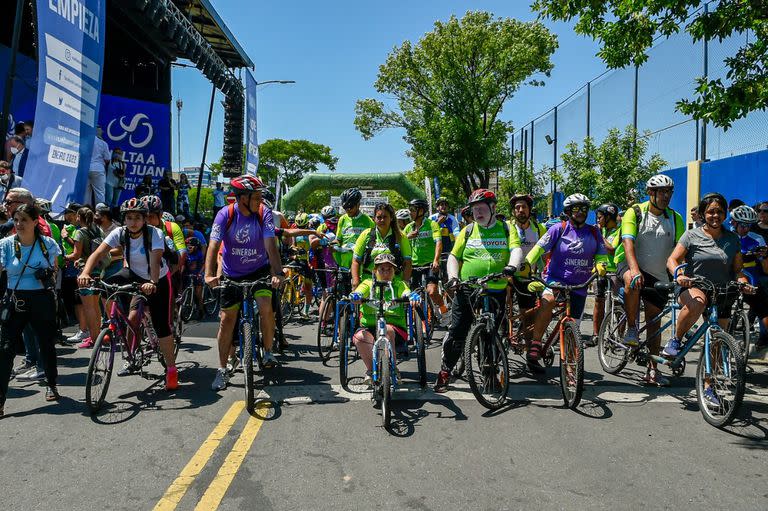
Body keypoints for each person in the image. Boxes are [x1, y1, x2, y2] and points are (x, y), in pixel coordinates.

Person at [78, 197, 179, 388]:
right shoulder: (120, 232)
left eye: (137, 218)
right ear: (124, 219)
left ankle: (172, 371)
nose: (133, 222)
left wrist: (152, 282)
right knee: (106, 284)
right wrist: (85, 272)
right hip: (133, 274)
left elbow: (156, 261)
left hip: (157, 279)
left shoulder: (154, 233)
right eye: (129, 218)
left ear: (144, 219)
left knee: (162, 326)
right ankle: (113, 321)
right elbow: (98, 253)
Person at [665, 193, 754, 406]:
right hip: (694, 286)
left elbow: (738, 270)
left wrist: (743, 282)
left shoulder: (732, 239)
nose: (715, 215)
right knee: (698, 302)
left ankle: (709, 388)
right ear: (704, 214)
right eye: (711, 211)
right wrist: (679, 274)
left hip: (722, 292)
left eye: (719, 211)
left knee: (717, 342)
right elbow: (673, 259)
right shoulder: (692, 235)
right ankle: (675, 340)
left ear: (725, 214)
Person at [434, 189, 521, 391]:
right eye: (474, 210)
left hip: (496, 289)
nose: (478, 213)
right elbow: (455, 257)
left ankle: (490, 372)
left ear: (492, 208)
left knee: (493, 333)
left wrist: (512, 266)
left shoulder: (507, 228)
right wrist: (454, 278)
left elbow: (515, 249)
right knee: (458, 332)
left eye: (481, 208)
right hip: (467, 289)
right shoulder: (468, 230)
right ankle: (446, 370)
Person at [206, 175, 284, 391]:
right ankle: (222, 369)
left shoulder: (263, 213)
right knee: (226, 319)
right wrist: (209, 274)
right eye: (256, 197)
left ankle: (268, 352)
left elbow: (271, 244)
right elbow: (213, 246)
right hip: (232, 274)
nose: (260, 200)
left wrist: (278, 273)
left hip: (259, 270)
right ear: (242, 199)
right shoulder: (225, 214)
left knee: (266, 307)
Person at [524, 193, 607, 374]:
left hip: (580, 285)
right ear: (568, 211)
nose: (580, 212)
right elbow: (539, 247)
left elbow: (601, 255)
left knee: (574, 326)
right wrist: (526, 263)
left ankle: (571, 366)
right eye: (576, 209)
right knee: (549, 302)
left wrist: (601, 266)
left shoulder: (594, 232)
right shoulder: (558, 229)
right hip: (555, 280)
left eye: (584, 209)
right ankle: (536, 343)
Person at [615, 174, 685, 386]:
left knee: (654, 323)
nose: (666, 196)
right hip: (630, 265)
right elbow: (628, 242)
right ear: (650, 193)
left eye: (669, 192)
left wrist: (681, 274)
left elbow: (681, 251)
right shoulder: (635, 212)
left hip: (659, 275)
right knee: (632, 280)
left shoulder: (675, 218)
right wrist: (635, 270)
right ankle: (631, 328)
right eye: (661, 192)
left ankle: (652, 370)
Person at [0, 203, 63, 416]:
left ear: (36, 221)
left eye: (24, 220)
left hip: (41, 299)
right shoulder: (6, 245)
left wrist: (43, 274)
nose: (18, 224)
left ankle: (51, 384)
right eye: (16, 220)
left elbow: (54, 269)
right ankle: (0, 400)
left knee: (46, 343)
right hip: (15, 299)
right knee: (5, 349)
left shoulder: (47, 244)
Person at [349, 253, 418, 386]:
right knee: (359, 337)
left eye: (389, 269)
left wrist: (411, 296)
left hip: (395, 329)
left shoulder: (399, 284)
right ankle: (370, 370)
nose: (385, 273)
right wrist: (356, 295)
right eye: (382, 269)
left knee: (386, 330)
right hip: (370, 326)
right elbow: (359, 291)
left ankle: (393, 368)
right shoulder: (368, 283)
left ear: (394, 271)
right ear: (375, 271)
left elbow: (406, 292)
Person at [724, 205, 768, 351]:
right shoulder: (726, 237)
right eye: (742, 225)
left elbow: (766, 269)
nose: (746, 228)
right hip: (729, 278)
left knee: (764, 308)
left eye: (749, 225)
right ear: (734, 223)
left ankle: (764, 338)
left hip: (751, 279)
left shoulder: (758, 239)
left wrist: (764, 257)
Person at [507, 194, 547, 348]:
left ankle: (530, 351)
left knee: (528, 314)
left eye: (524, 207)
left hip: (528, 277)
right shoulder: (507, 227)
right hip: (508, 276)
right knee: (503, 308)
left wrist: (544, 273)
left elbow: (545, 254)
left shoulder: (539, 228)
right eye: (517, 208)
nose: (521, 210)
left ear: (530, 210)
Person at [65, 208, 108, 349]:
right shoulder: (97, 230)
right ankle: (97, 336)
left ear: (79, 217)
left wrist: (63, 257)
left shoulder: (80, 232)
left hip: (85, 272)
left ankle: (95, 340)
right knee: (96, 307)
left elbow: (76, 255)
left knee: (88, 307)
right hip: (98, 271)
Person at [403, 198, 449, 326]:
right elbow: (398, 242)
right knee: (414, 297)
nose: (410, 212)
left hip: (430, 264)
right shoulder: (408, 227)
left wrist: (436, 260)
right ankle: (422, 322)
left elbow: (438, 243)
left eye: (413, 210)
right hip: (413, 265)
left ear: (421, 211)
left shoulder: (432, 224)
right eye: (410, 210)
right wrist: (407, 237)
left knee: (432, 291)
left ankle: (445, 312)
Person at [352, 202, 412, 288]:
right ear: (374, 219)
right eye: (379, 217)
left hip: (394, 283)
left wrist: (405, 282)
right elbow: (356, 261)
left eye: (385, 217)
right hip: (369, 282)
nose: (382, 220)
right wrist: (355, 280)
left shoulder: (401, 237)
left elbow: (407, 262)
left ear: (391, 218)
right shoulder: (366, 234)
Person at [591, 203, 621, 346]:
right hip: (599, 271)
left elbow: (612, 249)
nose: (597, 221)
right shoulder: (601, 231)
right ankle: (596, 335)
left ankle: (619, 336)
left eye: (600, 218)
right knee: (599, 302)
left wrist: (598, 235)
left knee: (618, 305)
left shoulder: (619, 231)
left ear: (608, 217)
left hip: (615, 272)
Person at [335, 188, 375, 289]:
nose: (348, 210)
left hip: (359, 264)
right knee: (342, 295)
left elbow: (373, 241)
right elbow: (338, 239)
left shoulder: (367, 221)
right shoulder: (342, 219)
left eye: (351, 207)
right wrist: (332, 244)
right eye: (345, 207)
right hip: (344, 262)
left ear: (358, 205)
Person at [429, 197, 461, 278]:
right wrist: (438, 223)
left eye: (446, 205)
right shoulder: (431, 218)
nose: (444, 206)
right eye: (441, 204)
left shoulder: (452, 218)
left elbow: (456, 232)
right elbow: (429, 232)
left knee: (447, 274)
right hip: (434, 248)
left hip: (448, 248)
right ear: (437, 207)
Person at [85, 126, 111, 207]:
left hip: (86, 168)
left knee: (86, 193)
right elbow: (107, 159)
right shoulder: (102, 143)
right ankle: (100, 213)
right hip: (98, 169)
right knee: (99, 193)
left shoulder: (84, 141)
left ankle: (85, 213)